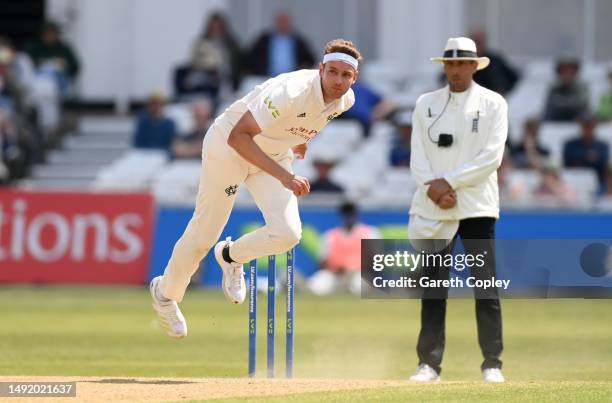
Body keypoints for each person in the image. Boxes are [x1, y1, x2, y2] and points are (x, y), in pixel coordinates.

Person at [149, 39, 361, 339]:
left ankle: (231, 257)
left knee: (288, 234)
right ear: (321, 69)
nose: (339, 81)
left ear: (355, 78)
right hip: (229, 148)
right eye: (334, 72)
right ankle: (165, 294)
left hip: (272, 154)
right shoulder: (291, 91)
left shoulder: (345, 100)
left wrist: (300, 140)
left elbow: (311, 119)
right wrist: (285, 177)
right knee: (203, 235)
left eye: (346, 75)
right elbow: (239, 137)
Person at [407, 37, 507, 383]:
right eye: (450, 64)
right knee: (434, 287)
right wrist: (432, 188)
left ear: (475, 66)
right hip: (435, 207)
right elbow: (418, 156)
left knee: (486, 286)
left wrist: (446, 183)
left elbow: (491, 158)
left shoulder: (493, 103)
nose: (456, 70)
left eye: (463, 64)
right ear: (444, 67)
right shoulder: (426, 103)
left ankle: (492, 363)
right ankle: (429, 365)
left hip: (477, 206)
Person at [308, 202, 380, 295]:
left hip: (358, 274)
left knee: (357, 288)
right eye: (346, 213)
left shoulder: (370, 233)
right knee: (316, 287)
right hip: (334, 275)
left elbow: (375, 260)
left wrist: (352, 269)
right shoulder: (330, 235)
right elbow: (322, 261)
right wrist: (336, 268)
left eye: (351, 213)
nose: (349, 216)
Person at [246, 11, 315, 77]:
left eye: (284, 21)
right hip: (268, 78)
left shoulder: (298, 41)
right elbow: (251, 58)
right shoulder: (265, 40)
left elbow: (310, 59)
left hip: (291, 79)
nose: (282, 24)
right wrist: (259, 70)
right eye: (280, 21)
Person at [24, 21, 79, 97]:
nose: (49, 36)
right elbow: (25, 64)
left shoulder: (63, 49)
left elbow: (75, 66)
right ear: (42, 35)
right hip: (38, 79)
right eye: (47, 34)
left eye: (52, 34)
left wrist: (64, 66)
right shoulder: (33, 47)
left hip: (59, 80)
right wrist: (42, 64)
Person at [197, 12, 243, 90]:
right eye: (213, 27)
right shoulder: (202, 43)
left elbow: (238, 61)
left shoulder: (231, 43)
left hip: (230, 79)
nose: (216, 30)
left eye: (218, 27)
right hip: (209, 80)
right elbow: (197, 62)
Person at [563, 115, 609, 192]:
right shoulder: (570, 145)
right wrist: (588, 157)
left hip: (599, 184)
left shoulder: (603, 146)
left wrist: (582, 159)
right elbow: (568, 163)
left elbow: (603, 164)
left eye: (590, 126)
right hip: (574, 183)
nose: (588, 129)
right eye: (585, 126)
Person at [471, 30, 520, 96]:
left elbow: (514, 77)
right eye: (476, 41)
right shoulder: (465, 64)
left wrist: (504, 91)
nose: (478, 45)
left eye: (480, 41)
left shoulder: (495, 60)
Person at [543, 57, 590, 122]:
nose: (567, 75)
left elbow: (585, 111)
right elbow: (547, 113)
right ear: (559, 73)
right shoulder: (553, 90)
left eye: (571, 72)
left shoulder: (582, 89)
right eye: (564, 71)